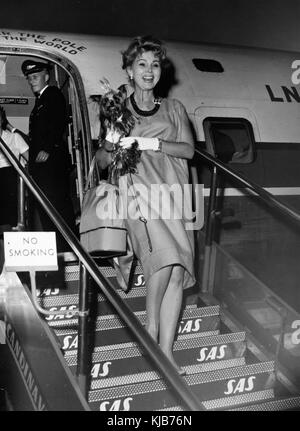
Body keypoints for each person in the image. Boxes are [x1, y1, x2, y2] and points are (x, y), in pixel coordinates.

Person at [97, 35, 196, 374]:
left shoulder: (174, 109)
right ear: (128, 70)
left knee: (174, 273)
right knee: (165, 259)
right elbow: (100, 162)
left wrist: (151, 142)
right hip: (137, 193)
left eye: (155, 64)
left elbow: (188, 150)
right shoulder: (116, 109)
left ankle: (166, 352)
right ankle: (150, 331)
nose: (149, 71)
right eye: (142, 64)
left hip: (172, 194)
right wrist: (111, 142)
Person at [19, 59, 76, 251]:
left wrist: (48, 148)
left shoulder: (52, 94)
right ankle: (60, 250)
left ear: (46, 76)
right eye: (29, 79)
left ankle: (69, 251)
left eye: (35, 77)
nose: (31, 81)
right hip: (42, 169)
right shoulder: (40, 101)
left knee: (57, 209)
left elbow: (58, 121)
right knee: (48, 211)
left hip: (51, 167)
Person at [0, 107, 28, 231]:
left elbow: (30, 160)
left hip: (10, 177)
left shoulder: (14, 137)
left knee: (10, 221)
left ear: (1, 120)